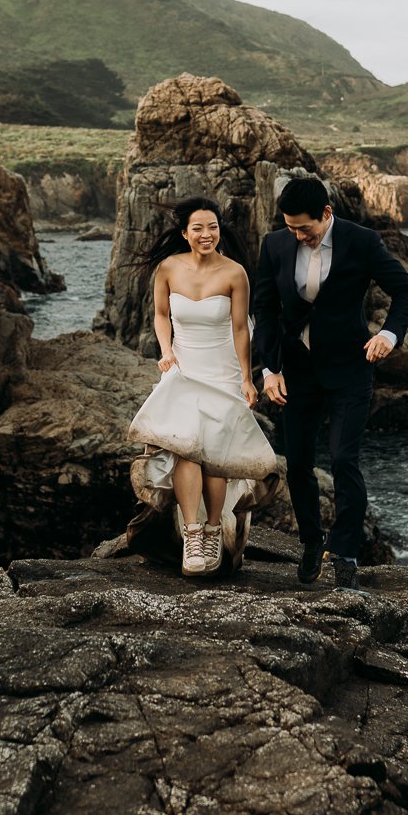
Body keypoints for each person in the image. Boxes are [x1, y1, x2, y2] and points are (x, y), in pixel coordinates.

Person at [252, 177, 408, 589]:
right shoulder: (274, 245)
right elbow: (265, 309)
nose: (296, 235)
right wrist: (269, 370)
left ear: (326, 214)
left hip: (349, 367)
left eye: (303, 228)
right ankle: (311, 542)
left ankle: (344, 551)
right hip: (297, 371)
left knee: (344, 460)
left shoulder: (362, 242)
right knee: (299, 464)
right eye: (289, 227)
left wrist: (388, 335)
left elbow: (405, 291)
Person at [125, 197, 277, 576]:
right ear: (185, 234)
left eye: (212, 227)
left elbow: (241, 328)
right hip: (183, 368)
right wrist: (165, 352)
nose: (206, 234)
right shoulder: (167, 269)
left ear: (219, 230)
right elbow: (161, 316)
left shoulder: (234, 273)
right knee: (183, 449)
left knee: (215, 455)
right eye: (198, 228)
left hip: (222, 371)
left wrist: (246, 377)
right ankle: (193, 532)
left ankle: (213, 528)